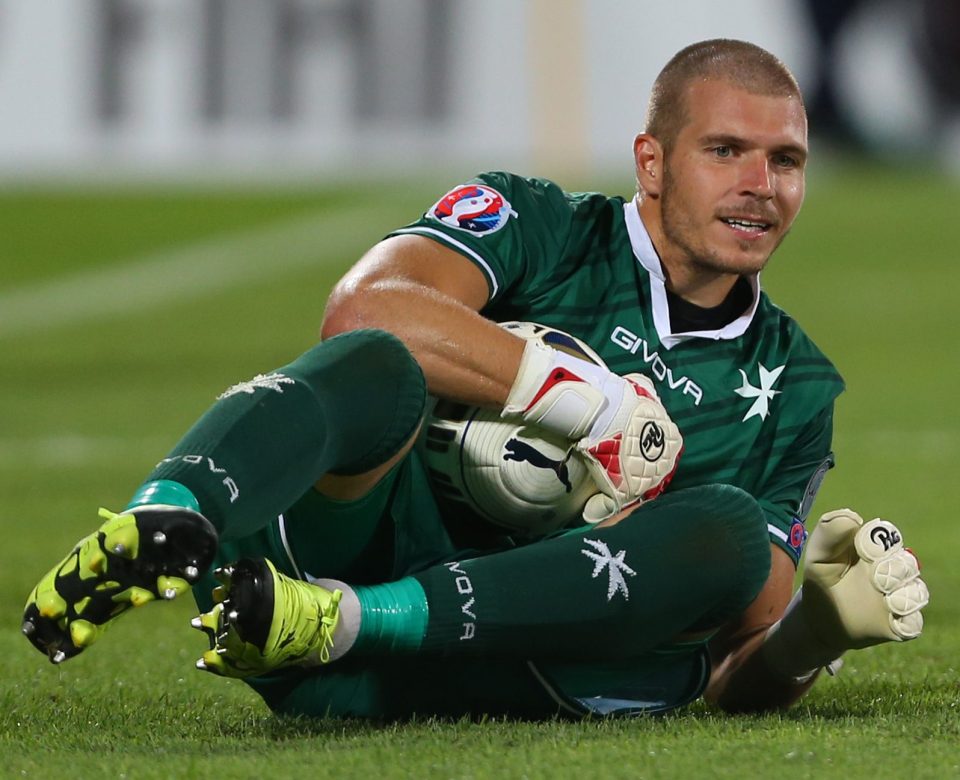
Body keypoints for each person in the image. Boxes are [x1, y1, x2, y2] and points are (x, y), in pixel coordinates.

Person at [22, 38, 928, 719]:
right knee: (381, 362)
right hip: (325, 560)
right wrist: (584, 402)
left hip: (490, 665)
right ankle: (169, 512)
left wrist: (813, 633)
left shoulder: (797, 384)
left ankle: (349, 620)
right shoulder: (540, 224)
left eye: (787, 161)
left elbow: (734, 652)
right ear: (651, 163)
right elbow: (367, 308)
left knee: (729, 535)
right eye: (726, 151)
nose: (760, 185)